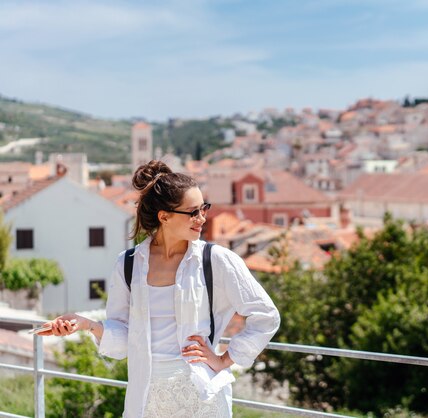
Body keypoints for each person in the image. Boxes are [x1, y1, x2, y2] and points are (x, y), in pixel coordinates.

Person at [38, 160, 281, 418]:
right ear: (164, 216)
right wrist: (86, 324)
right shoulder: (128, 264)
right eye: (193, 212)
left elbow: (266, 316)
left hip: (201, 397)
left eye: (204, 209)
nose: (202, 219)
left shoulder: (216, 260)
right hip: (146, 397)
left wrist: (224, 359)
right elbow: (122, 340)